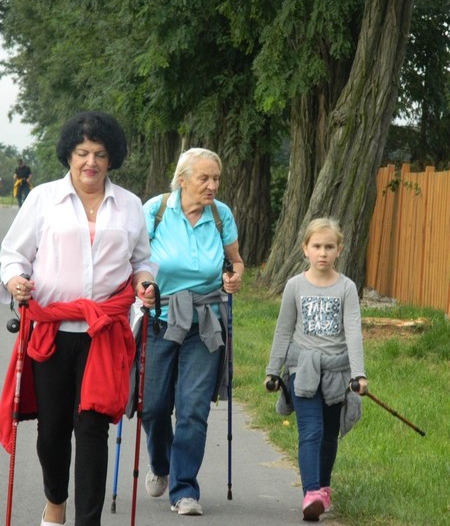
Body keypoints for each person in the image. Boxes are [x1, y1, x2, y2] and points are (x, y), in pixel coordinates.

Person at [0, 110, 154, 526]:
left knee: (92, 428)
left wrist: (145, 284)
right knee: (52, 432)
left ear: (111, 157)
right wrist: (16, 281)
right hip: (52, 331)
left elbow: (142, 261)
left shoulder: (129, 205)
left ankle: (89, 521)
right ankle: (55, 500)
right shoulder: (43, 199)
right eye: (83, 152)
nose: (91, 162)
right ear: (68, 154)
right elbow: (12, 255)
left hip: (103, 333)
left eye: (100, 154)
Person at [140, 147, 244, 516]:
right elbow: (136, 260)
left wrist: (234, 278)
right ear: (182, 179)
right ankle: (161, 464)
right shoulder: (155, 210)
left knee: (193, 408)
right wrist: (142, 285)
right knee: (152, 406)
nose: (212, 185)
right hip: (160, 318)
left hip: (205, 322)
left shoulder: (220, 214)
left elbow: (235, 260)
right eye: (204, 178)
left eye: (216, 178)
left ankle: (184, 489)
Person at [264, 217, 368, 522]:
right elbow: (284, 330)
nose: (323, 252)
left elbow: (353, 332)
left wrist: (358, 374)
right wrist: (273, 370)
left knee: (329, 435)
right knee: (311, 430)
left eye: (329, 247)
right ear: (305, 248)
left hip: (336, 370)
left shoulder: (346, 287)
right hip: (303, 368)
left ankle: (323, 488)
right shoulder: (294, 286)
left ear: (339, 250)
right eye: (317, 246)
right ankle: (310, 494)